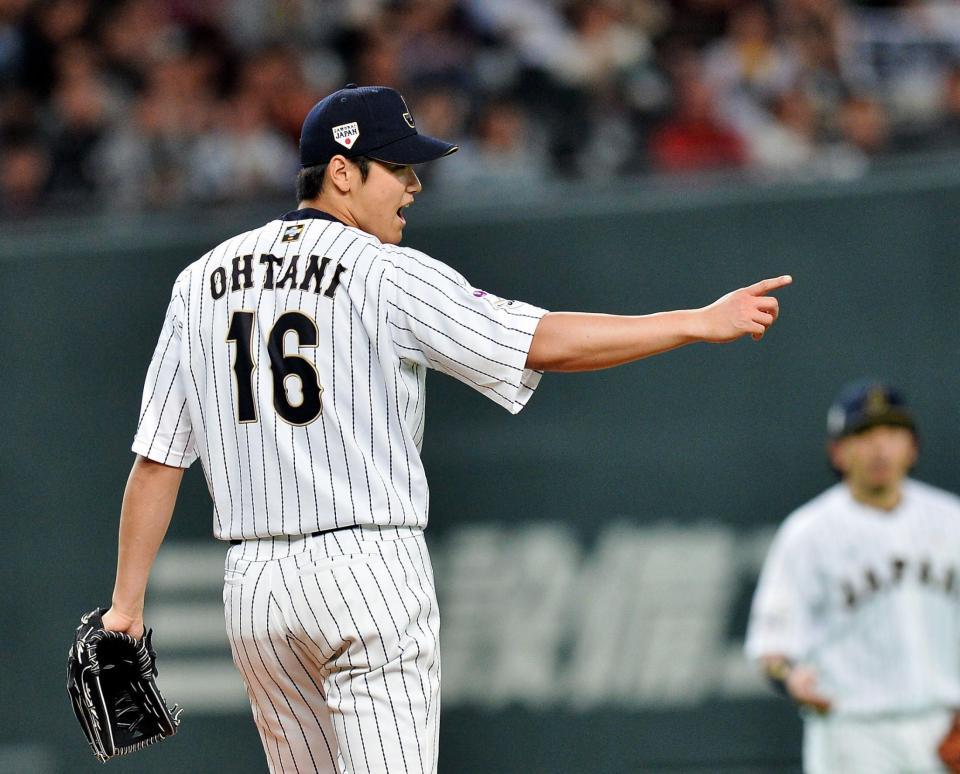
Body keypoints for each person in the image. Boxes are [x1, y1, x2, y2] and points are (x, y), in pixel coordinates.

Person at [99, 83, 791, 773]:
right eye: (397, 167)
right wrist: (693, 322)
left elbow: (158, 460)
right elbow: (541, 342)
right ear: (342, 171)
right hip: (366, 568)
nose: (414, 185)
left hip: (254, 592)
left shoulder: (200, 282)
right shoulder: (382, 270)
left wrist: (126, 607)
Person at [745, 381, 960, 774]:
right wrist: (791, 679)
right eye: (863, 434)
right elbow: (771, 645)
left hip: (943, 724)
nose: (879, 447)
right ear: (837, 452)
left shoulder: (951, 520)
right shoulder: (808, 533)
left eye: (892, 432)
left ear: (912, 447)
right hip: (853, 730)